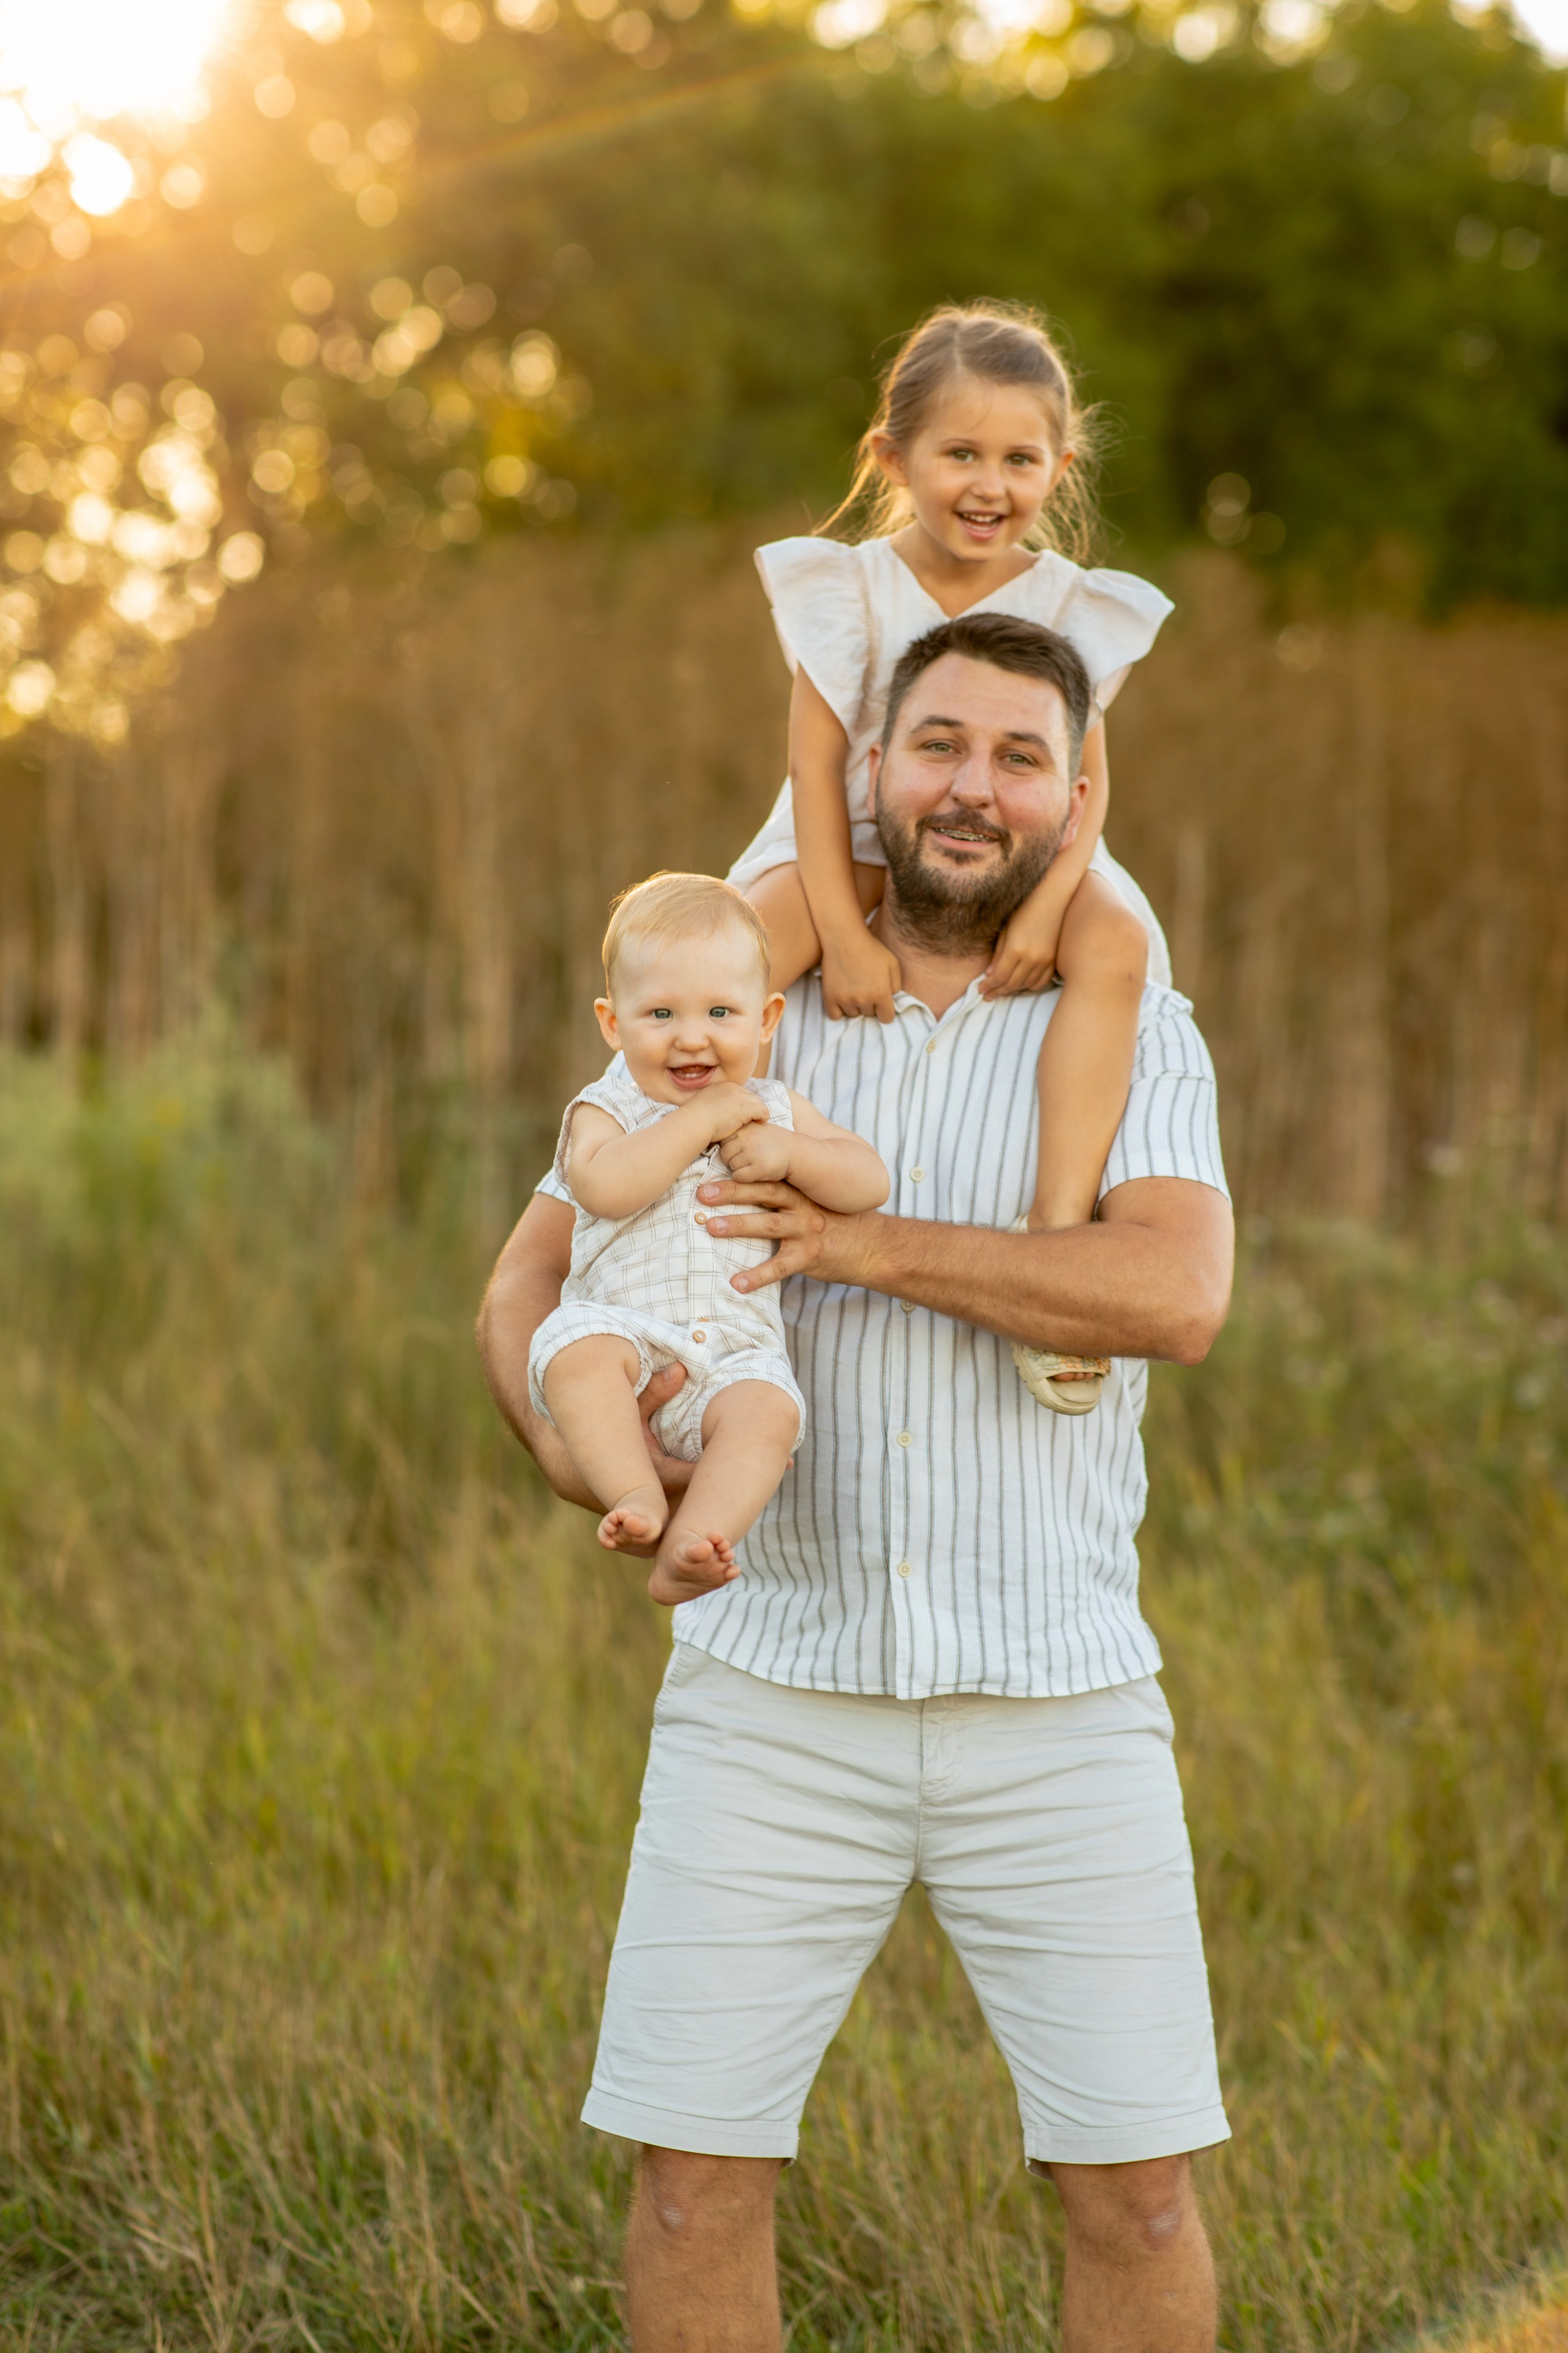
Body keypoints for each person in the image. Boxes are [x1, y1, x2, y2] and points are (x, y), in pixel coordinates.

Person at [478, 610, 1235, 2353]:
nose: (975, 787)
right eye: (941, 745)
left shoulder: (1139, 1029)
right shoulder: (722, 1013)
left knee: (1137, 2190)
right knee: (691, 2179)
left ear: (1074, 793)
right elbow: (520, 1287)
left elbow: (1175, 1297)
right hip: (771, 1690)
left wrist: (866, 1246)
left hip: (1060, 1694)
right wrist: (596, 1453)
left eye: (1020, 756)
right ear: (870, 776)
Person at [733, 300, 1170, 1414]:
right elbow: (815, 765)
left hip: (1028, 848)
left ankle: (1056, 1225)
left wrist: (1047, 909)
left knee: (1118, 946)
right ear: (894, 455)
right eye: (960, 453)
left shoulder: (1069, 603)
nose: (990, 483)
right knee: (729, 960)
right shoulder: (848, 586)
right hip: (850, 830)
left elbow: (1088, 777)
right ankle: (680, 1226)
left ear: (1059, 466)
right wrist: (836, 929)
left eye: (1020, 459)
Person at [527, 871, 888, 1604]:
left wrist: (796, 1156)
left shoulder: (776, 1108)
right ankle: (637, 1496)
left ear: (766, 1019)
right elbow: (601, 1187)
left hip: (733, 1352)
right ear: (611, 1023)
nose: (692, 1036)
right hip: (624, 1333)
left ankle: (695, 1544)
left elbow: (868, 1180)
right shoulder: (609, 1106)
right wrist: (696, 1122)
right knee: (574, 1353)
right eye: (659, 1013)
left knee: (771, 1413)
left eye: (721, 1011)